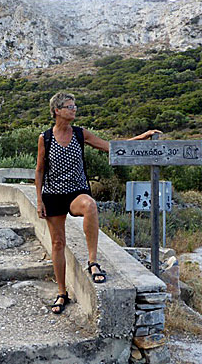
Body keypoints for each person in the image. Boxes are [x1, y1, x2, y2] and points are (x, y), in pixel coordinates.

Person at [35, 92, 160, 315]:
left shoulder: (80, 134)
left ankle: (93, 262)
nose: (74, 109)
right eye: (69, 106)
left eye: (75, 105)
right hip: (53, 194)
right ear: (57, 111)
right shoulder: (45, 138)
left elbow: (110, 147)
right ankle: (62, 292)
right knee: (57, 243)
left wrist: (141, 137)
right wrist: (39, 201)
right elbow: (40, 170)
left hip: (76, 192)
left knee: (90, 205)